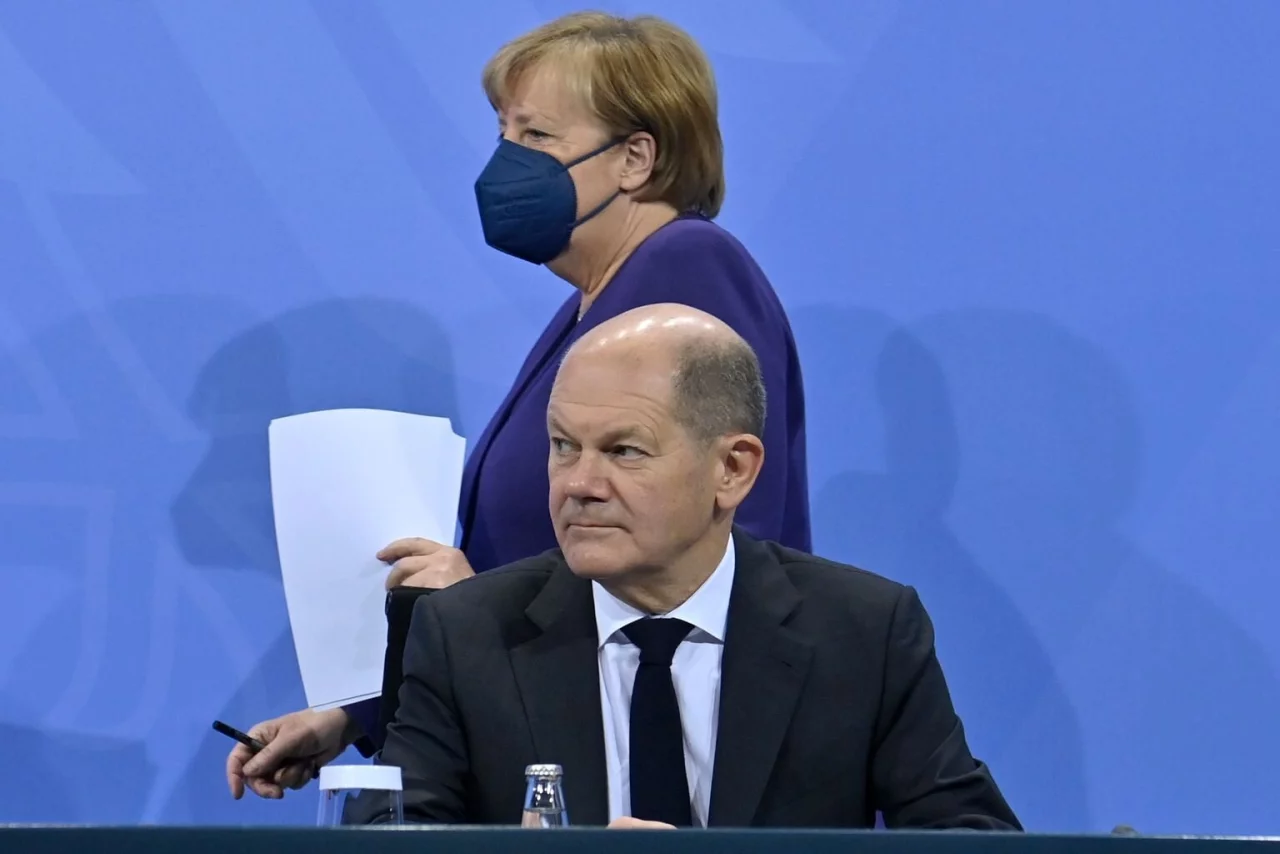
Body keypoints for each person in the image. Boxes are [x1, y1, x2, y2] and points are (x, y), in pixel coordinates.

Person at [227, 12, 811, 801]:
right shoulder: (591, 306)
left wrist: (477, 609)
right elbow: (524, 562)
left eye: (535, 136)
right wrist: (353, 716)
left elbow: (710, 551)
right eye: (503, 133)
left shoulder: (686, 269)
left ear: (635, 158)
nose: (505, 162)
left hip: (672, 764)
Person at [365, 304, 1020, 828]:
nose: (579, 484)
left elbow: (971, 840)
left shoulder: (863, 632)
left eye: (624, 451)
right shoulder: (466, 633)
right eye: (563, 446)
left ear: (732, 469)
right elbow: (386, 844)